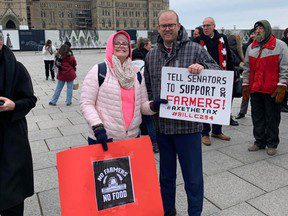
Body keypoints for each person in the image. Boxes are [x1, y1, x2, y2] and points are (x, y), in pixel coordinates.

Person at [144, 10, 221, 216]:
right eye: (163, 26)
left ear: (179, 26)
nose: (167, 29)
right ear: (158, 28)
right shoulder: (151, 55)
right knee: (166, 178)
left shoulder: (195, 49)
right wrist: (152, 107)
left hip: (189, 129)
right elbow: (149, 88)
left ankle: (194, 213)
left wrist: (203, 67)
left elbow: (220, 74)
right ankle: (168, 212)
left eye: (171, 25)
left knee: (193, 179)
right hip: (163, 128)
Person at [80, 30, 154, 150]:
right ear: (110, 46)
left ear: (129, 48)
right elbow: (86, 103)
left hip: (132, 137)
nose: (121, 46)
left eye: (125, 43)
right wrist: (97, 127)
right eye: (117, 43)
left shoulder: (136, 74)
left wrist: (153, 106)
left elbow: (142, 106)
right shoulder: (99, 70)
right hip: (104, 137)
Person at [0, 31, 37, 216]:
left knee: (12, 200)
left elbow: (30, 99)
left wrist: (13, 105)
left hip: (11, 141)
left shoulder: (16, 68)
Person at [242, 20, 288, 156]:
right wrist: (245, 85)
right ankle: (259, 141)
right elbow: (246, 68)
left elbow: (285, 68)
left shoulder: (280, 46)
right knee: (257, 117)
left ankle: (272, 143)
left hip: (272, 90)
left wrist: (282, 85)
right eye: (256, 28)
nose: (258, 31)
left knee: (272, 118)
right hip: (255, 89)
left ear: (267, 29)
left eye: (261, 28)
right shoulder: (251, 47)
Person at [194, 17, 233, 145]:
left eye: (208, 25)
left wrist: (232, 74)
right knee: (205, 105)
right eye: (203, 25)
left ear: (214, 26)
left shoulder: (222, 38)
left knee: (219, 104)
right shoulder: (197, 41)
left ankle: (217, 131)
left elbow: (229, 56)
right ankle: (204, 133)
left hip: (221, 76)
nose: (205, 28)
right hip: (204, 78)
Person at [131, 37, 159, 153]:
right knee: (148, 119)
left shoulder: (131, 58)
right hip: (145, 92)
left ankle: (133, 143)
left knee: (134, 119)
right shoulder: (148, 58)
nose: (151, 46)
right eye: (149, 44)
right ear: (145, 45)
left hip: (132, 93)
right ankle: (154, 143)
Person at [236, 28, 256, 119]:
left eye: (254, 34)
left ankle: (255, 111)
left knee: (255, 94)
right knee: (245, 92)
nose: (253, 36)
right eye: (252, 34)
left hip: (257, 72)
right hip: (248, 71)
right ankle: (242, 112)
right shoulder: (246, 46)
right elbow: (243, 59)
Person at [280, 28, 288, 112]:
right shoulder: (283, 43)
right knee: (284, 87)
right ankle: (282, 104)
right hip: (285, 68)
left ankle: (285, 104)